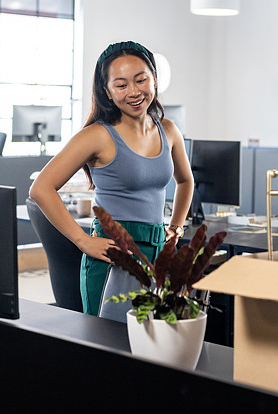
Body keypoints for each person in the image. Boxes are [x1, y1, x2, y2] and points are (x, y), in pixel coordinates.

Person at [29, 41, 194, 316]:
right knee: (109, 351)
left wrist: (175, 227)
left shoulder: (169, 130)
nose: (134, 91)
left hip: (157, 255)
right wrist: (83, 241)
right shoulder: (97, 135)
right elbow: (41, 188)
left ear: (154, 79)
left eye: (141, 79)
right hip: (114, 256)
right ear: (107, 91)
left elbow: (185, 181)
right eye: (121, 85)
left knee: (148, 348)